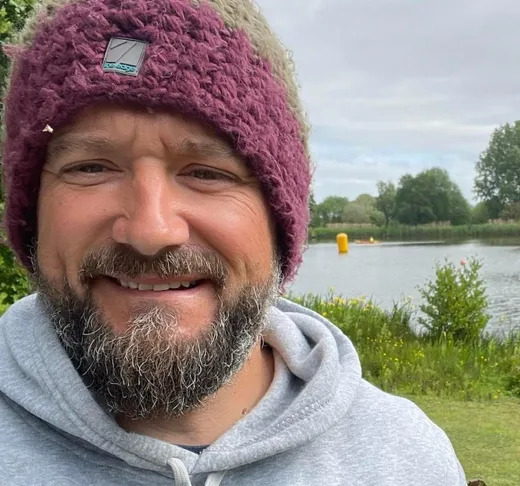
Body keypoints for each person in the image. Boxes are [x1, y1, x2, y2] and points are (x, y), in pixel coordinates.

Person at [0, 0, 467, 484]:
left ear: (280, 223)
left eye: (206, 172)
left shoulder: (407, 461)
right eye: (90, 167)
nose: (150, 230)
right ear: (31, 214)